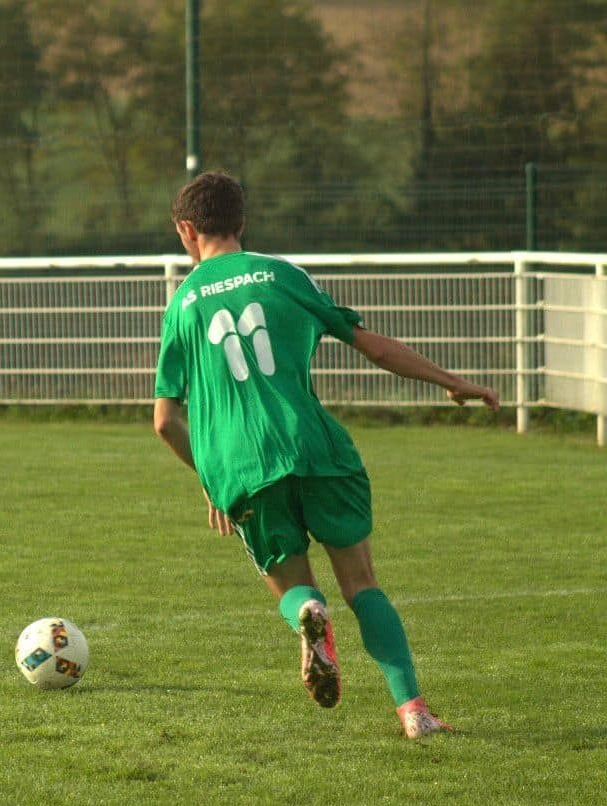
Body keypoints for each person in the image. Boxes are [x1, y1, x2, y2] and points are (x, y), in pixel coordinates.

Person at [153, 171, 499, 738]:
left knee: (294, 588)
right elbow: (371, 344)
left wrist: (214, 480)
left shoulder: (182, 305)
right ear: (241, 222)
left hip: (243, 468)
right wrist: (450, 380)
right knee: (362, 584)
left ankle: (310, 617)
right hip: (317, 448)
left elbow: (166, 422)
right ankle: (415, 713)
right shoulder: (283, 275)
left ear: (187, 230)